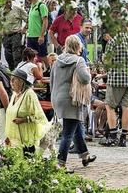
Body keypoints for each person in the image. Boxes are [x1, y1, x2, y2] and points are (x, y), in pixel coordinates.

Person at [50, 35, 96, 170]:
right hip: (72, 99)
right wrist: (90, 72)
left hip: (58, 98)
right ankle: (60, 163)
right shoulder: (78, 61)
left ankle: (84, 156)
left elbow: (52, 80)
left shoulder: (58, 61)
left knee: (75, 127)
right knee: (68, 133)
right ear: (78, 46)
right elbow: (85, 79)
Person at [99, 22, 128, 147]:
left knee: (110, 106)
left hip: (116, 78)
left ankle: (112, 135)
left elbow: (108, 62)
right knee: (126, 107)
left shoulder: (112, 42)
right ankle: (123, 136)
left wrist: (104, 59)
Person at [5, 69, 49, 157]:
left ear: (21, 82)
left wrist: (24, 119)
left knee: (27, 163)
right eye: (11, 79)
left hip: (26, 138)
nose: (11, 82)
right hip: (14, 139)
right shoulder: (14, 94)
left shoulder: (29, 94)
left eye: (14, 79)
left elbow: (38, 115)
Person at [0, 0, 28, 70]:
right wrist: (1, 29)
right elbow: (0, 22)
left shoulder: (17, 9)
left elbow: (28, 19)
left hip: (16, 34)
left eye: (10, 2)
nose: (8, 4)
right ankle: (11, 72)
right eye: (6, 2)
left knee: (16, 56)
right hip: (6, 36)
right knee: (8, 56)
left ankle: (18, 72)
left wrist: (24, 29)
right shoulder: (1, 11)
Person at [25, 0, 50, 66]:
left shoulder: (41, 6)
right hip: (31, 35)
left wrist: (42, 35)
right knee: (30, 56)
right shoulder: (32, 6)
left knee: (43, 55)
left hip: (39, 36)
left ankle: (49, 70)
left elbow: (45, 21)